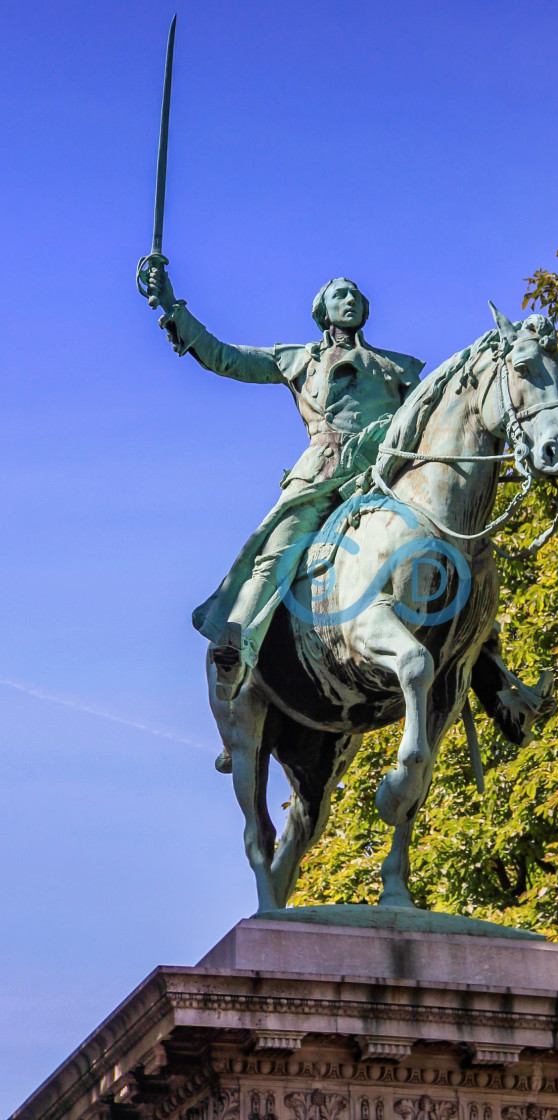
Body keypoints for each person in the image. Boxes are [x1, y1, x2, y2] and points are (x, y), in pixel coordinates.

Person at [146, 268, 424, 768]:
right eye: (340, 295)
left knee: (445, 538)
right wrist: (173, 308)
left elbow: (424, 424)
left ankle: (489, 667)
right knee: (276, 554)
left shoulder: (396, 367)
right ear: (322, 312)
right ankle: (237, 647)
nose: (350, 301)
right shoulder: (298, 359)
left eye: (357, 296)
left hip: (383, 472)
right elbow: (224, 357)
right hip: (324, 471)